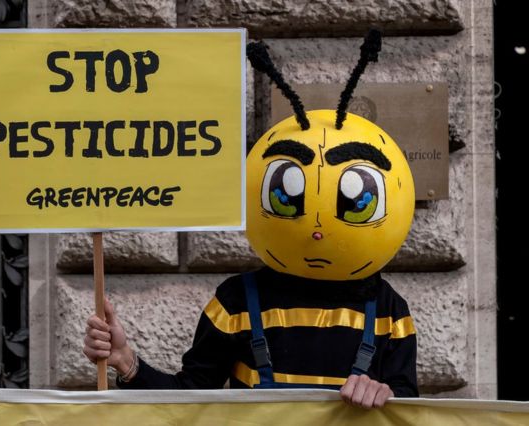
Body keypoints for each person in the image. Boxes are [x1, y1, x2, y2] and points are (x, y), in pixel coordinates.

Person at [84, 30, 418, 409]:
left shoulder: (390, 312)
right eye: (286, 197)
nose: (319, 230)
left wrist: (389, 396)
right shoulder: (236, 303)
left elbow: (410, 407)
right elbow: (190, 402)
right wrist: (127, 363)